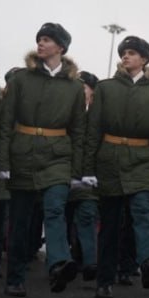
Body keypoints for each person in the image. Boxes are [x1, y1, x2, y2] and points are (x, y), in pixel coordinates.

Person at [0, 23, 86, 296]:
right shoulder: (21, 79)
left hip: (58, 156)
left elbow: (79, 131)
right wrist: (3, 163)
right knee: (21, 222)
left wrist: (76, 171)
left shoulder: (75, 87)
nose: (41, 44)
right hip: (22, 154)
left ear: (60, 47)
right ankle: (15, 278)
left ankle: (59, 263)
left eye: (47, 40)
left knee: (55, 210)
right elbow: (5, 122)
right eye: (40, 40)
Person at [82, 35, 149, 298]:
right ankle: (104, 281)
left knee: (142, 211)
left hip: (143, 159)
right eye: (124, 53)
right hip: (109, 159)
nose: (126, 57)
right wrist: (88, 168)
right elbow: (93, 128)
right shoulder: (106, 88)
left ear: (144, 59)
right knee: (109, 224)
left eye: (132, 53)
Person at [67, 71, 100, 280]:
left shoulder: (97, 114)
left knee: (86, 218)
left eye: (84, 87)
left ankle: (90, 263)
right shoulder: (67, 113)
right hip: (64, 174)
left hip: (89, 178)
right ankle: (70, 259)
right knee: (66, 220)